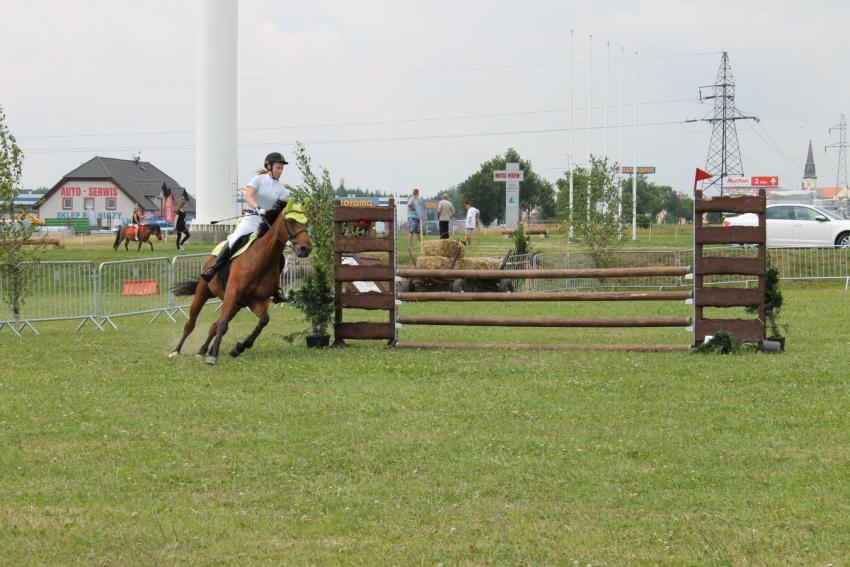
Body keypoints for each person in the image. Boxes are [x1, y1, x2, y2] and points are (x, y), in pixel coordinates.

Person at [201, 151, 290, 285]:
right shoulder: (258, 180)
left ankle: (274, 287)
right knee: (234, 240)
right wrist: (257, 207)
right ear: (269, 166)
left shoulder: (283, 190)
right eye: (278, 167)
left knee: (279, 256)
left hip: (267, 225)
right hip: (252, 220)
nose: (280, 171)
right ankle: (213, 269)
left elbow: (284, 209)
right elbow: (248, 197)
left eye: (282, 168)